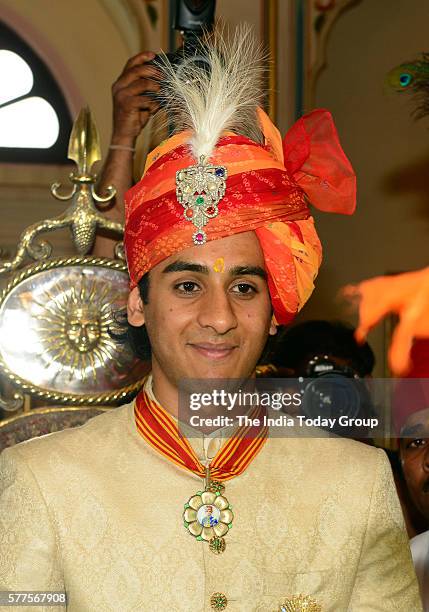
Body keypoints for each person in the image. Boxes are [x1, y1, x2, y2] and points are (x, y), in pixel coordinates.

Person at [0, 28, 421, 611]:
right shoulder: (45, 482)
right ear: (137, 302)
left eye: (245, 287)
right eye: (188, 285)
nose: (219, 318)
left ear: (275, 308)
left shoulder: (356, 482)